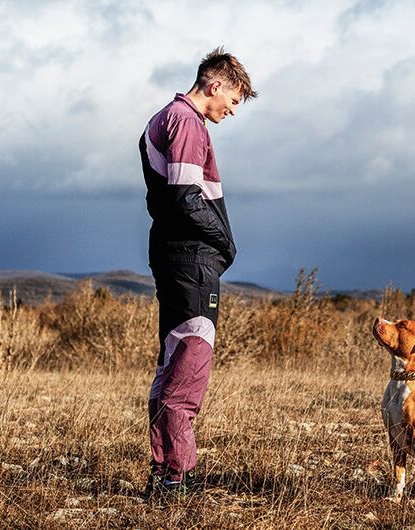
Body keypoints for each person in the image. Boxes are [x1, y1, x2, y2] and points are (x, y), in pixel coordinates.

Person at [138, 47, 257, 497]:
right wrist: (226, 242)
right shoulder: (186, 121)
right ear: (215, 84)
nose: (233, 110)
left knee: (172, 362)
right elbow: (186, 198)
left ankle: (164, 472)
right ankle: (176, 477)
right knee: (189, 362)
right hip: (190, 260)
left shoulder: (166, 119)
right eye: (234, 100)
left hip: (176, 256)